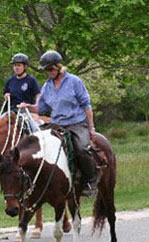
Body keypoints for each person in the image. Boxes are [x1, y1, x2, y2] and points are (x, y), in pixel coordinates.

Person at [19, 50, 98, 197]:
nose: (49, 72)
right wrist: (27, 106)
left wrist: (91, 127)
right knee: (36, 141)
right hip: (56, 124)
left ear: (58, 66)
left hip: (76, 123)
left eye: (50, 69)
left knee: (81, 148)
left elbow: (86, 105)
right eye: (46, 70)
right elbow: (41, 108)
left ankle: (91, 181)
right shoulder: (47, 87)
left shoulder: (74, 81)